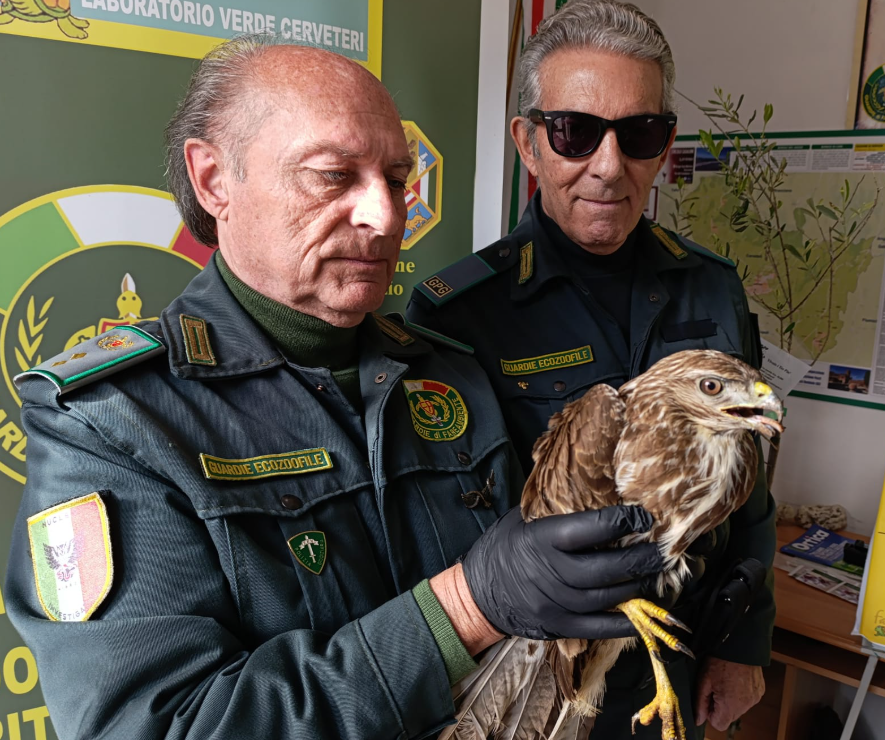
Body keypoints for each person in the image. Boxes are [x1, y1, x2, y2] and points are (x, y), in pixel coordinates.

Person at [6, 36, 667, 739]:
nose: (384, 218)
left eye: (395, 177)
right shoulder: (113, 424)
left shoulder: (451, 375)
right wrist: (464, 607)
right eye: (332, 176)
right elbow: (161, 726)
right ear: (213, 181)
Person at [407, 1, 776, 736]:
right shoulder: (458, 312)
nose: (609, 166)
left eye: (640, 134)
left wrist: (743, 643)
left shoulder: (711, 287)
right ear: (529, 142)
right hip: (537, 673)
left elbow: (754, 485)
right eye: (575, 132)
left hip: (677, 657)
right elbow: (444, 534)